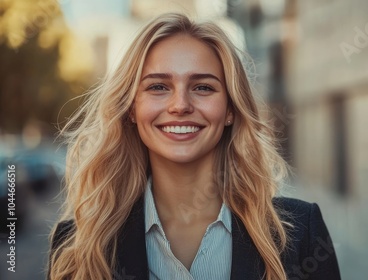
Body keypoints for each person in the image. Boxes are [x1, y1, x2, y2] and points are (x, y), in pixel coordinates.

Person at [48, 13, 341, 280]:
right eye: (158, 87)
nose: (180, 105)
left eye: (203, 87)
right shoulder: (78, 246)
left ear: (230, 109)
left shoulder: (302, 232)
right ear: (131, 110)